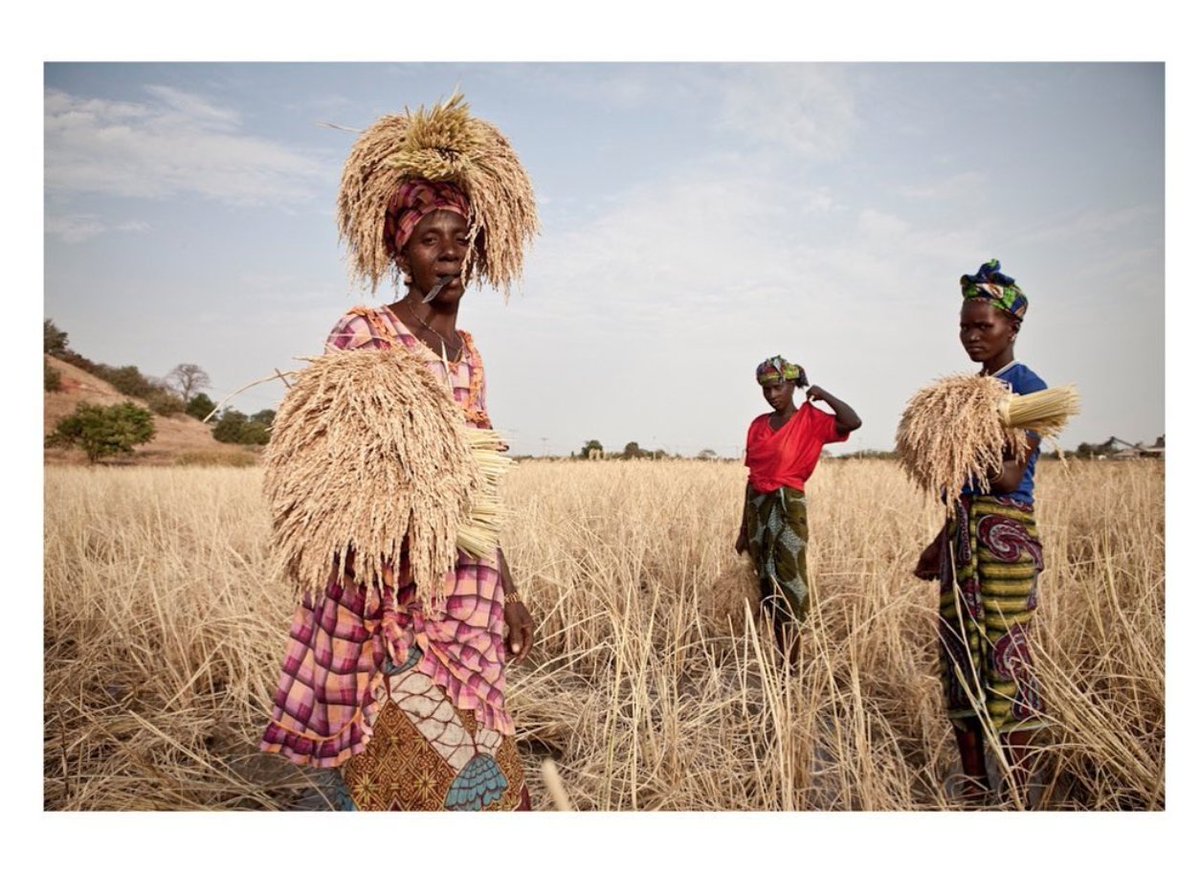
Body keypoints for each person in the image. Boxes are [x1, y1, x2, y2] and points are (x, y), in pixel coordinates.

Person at [259, 95, 538, 811]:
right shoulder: (367, 336)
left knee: (480, 735)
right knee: (393, 730)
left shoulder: (470, 354)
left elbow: (481, 484)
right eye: (429, 238)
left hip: (467, 577)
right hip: (391, 580)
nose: (448, 249)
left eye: (460, 236)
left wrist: (505, 587)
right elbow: (325, 468)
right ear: (399, 253)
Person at [913, 259, 1050, 808]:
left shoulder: (1028, 390)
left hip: (1005, 538)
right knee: (958, 660)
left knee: (1005, 661)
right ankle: (973, 788)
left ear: (1012, 328)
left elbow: (1008, 477)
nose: (972, 336)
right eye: (965, 326)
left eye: (983, 326)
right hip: (965, 536)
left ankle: (1019, 791)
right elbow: (961, 490)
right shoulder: (966, 394)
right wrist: (940, 541)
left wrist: (958, 445)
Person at [735, 356, 861, 664]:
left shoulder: (811, 420)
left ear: (792, 384)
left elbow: (852, 422)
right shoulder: (758, 426)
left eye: (778, 387)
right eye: (766, 389)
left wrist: (825, 394)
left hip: (788, 508)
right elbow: (752, 480)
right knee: (765, 582)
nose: (772, 395)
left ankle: (791, 663)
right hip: (758, 510)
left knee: (789, 582)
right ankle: (780, 659)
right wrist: (743, 530)